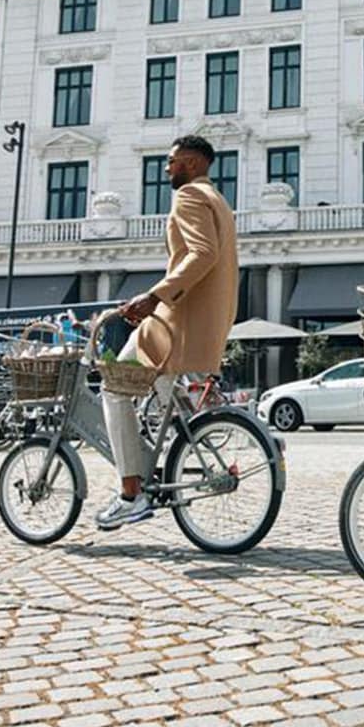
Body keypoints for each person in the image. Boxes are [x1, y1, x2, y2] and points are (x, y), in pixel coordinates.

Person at [96, 135, 238, 529]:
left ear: (191, 163)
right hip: (200, 320)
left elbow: (202, 254)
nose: (166, 168)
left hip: (176, 322)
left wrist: (153, 297)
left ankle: (131, 493)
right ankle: (162, 464)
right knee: (162, 396)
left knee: (115, 387)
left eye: (172, 161)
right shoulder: (218, 199)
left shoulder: (189, 196)